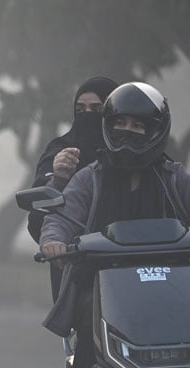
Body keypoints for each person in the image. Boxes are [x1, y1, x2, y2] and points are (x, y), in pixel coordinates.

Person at [39, 82, 190, 368]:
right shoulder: (89, 179)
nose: (128, 131)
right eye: (120, 123)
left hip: (177, 291)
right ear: (107, 128)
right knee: (87, 339)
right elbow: (60, 219)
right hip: (103, 289)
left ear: (156, 131)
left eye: (138, 125)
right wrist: (53, 241)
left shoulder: (174, 176)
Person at [28, 76, 119, 302]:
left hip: (133, 265)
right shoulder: (61, 152)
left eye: (96, 109)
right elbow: (39, 222)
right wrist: (58, 180)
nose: (87, 115)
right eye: (81, 109)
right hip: (80, 272)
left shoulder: (131, 153)